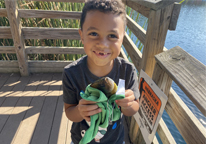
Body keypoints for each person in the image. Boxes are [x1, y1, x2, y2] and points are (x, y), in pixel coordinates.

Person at [62, 0, 140, 143]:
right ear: (82, 35)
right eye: (93, 33)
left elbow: (134, 107)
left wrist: (128, 104)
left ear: (122, 38)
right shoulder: (71, 73)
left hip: (115, 140)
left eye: (112, 36)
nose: (103, 44)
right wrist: (80, 111)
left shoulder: (127, 71)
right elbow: (69, 112)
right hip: (81, 138)